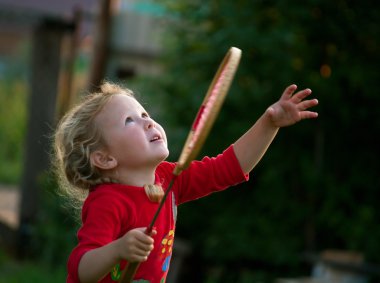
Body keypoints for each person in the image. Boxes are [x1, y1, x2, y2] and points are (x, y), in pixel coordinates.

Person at [53, 81, 318, 283]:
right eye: (129, 120)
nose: (147, 122)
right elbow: (80, 268)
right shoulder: (108, 201)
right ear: (105, 158)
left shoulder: (170, 179)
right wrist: (117, 250)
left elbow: (228, 168)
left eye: (145, 114)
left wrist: (269, 123)